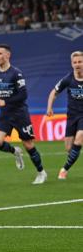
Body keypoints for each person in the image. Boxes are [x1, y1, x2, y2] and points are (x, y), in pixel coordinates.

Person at [0, 44, 47, 184]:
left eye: (0, 53)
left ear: (8, 55)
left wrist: (5, 102)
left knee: (28, 144)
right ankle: (15, 151)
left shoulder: (16, 73)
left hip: (19, 113)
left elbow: (23, 95)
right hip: (5, 114)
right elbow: (1, 93)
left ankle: (41, 172)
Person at [46, 51, 83, 180]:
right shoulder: (68, 78)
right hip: (72, 116)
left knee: (79, 138)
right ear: (72, 64)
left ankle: (64, 169)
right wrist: (49, 107)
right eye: (75, 62)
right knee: (69, 148)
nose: (77, 64)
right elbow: (54, 92)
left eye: (80, 62)